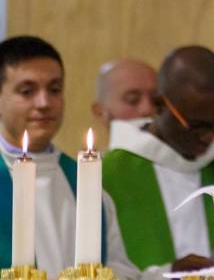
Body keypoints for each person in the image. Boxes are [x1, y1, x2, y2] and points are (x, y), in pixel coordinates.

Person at [102, 45, 214, 273]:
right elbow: (99, 269)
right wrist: (169, 273)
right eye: (196, 125)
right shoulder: (109, 174)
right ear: (159, 105)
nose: (208, 136)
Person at [0, 35, 139, 278]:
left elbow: (120, 269)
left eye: (54, 90)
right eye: (27, 91)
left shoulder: (88, 185)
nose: (44, 103)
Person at [91, 58, 157, 147]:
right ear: (100, 112)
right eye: (132, 100)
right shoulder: (98, 161)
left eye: (155, 99)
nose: (147, 109)